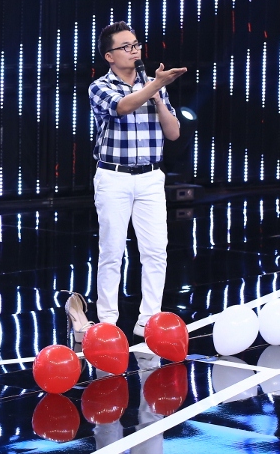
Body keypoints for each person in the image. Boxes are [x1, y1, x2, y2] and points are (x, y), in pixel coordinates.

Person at [86, 21, 186, 336]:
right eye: (126, 47)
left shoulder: (153, 87)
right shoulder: (100, 86)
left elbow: (173, 133)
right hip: (114, 177)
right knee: (112, 251)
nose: (134, 51)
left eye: (136, 45)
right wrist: (153, 87)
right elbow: (122, 107)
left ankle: (149, 320)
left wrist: (157, 94)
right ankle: (107, 323)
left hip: (150, 177)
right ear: (109, 56)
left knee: (156, 250)